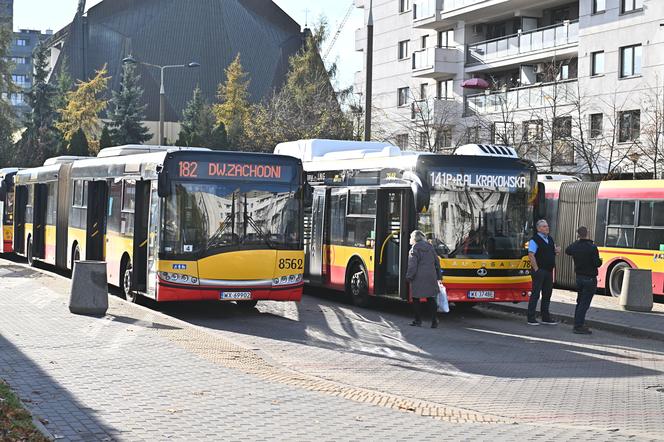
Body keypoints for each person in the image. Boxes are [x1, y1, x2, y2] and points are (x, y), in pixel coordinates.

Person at [565, 226, 602, 334]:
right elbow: (597, 263)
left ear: (578, 235)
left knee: (580, 301)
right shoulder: (592, 247)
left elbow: (568, 250)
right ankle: (578, 326)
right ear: (588, 233)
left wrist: (577, 240)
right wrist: (600, 261)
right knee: (584, 304)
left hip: (579, 278)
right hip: (589, 279)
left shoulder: (575, 246)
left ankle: (577, 323)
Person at [527, 219, 560, 326]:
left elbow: (551, 252)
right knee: (535, 294)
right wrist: (536, 269)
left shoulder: (550, 239)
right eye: (545, 226)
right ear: (539, 228)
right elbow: (531, 255)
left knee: (547, 294)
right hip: (539, 271)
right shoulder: (534, 240)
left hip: (549, 271)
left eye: (547, 226)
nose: (547, 228)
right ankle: (531, 318)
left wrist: (556, 251)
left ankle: (545, 317)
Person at [406, 230, 442, 328]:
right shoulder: (430, 247)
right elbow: (437, 262)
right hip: (431, 276)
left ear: (414, 238)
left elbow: (412, 265)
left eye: (410, 237)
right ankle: (434, 321)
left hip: (419, 277)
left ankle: (418, 320)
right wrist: (439, 276)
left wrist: (409, 277)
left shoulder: (414, 249)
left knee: (416, 298)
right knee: (430, 298)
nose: (410, 239)